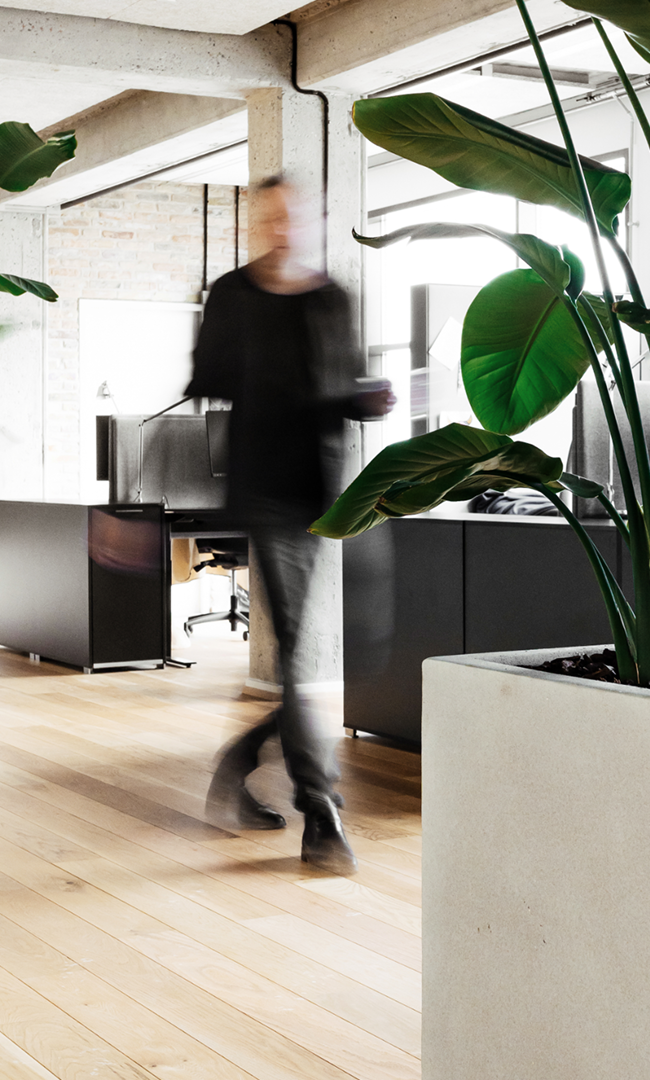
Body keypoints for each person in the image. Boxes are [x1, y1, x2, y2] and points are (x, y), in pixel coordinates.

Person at [186, 175, 393, 875]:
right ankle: (321, 812)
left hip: (333, 494)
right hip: (267, 494)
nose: (282, 228)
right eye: (270, 218)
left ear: (313, 221)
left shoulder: (334, 296)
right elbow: (205, 377)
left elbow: (346, 385)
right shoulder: (233, 294)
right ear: (255, 223)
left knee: (365, 647)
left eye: (294, 217)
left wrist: (367, 400)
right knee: (303, 652)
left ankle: (236, 763)